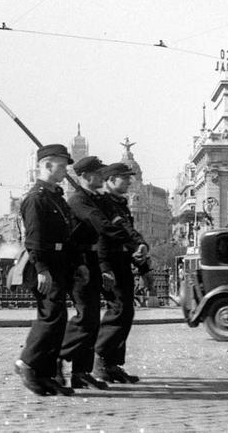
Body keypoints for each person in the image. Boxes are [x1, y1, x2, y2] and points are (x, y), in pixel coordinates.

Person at [14, 144, 88, 397]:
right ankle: (27, 362)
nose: (66, 169)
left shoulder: (56, 197)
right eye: (62, 164)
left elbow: (68, 235)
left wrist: (78, 263)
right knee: (51, 316)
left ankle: (44, 374)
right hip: (45, 264)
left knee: (57, 319)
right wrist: (42, 269)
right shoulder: (36, 198)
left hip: (61, 261)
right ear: (47, 165)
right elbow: (33, 239)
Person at [57, 156, 129, 390]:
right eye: (99, 173)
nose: (103, 176)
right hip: (79, 262)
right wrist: (127, 239)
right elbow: (100, 224)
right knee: (85, 316)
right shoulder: (79, 200)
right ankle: (57, 356)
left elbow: (114, 221)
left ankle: (81, 372)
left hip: (93, 259)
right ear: (87, 176)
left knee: (93, 319)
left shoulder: (95, 198)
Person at [91, 162, 153, 384]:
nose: (129, 181)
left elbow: (128, 237)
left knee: (126, 312)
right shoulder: (103, 204)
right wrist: (105, 267)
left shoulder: (120, 205)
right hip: (109, 264)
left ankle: (111, 363)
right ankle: (99, 360)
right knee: (118, 310)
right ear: (109, 180)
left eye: (129, 177)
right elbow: (102, 238)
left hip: (123, 262)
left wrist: (143, 267)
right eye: (124, 177)